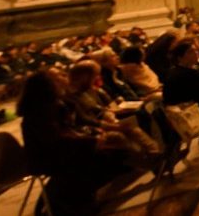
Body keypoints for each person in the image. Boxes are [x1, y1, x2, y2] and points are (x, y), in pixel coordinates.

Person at [18, 70, 131, 215]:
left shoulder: (56, 102)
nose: (66, 77)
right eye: (61, 76)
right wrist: (93, 141)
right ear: (49, 85)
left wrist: (93, 135)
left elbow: (73, 128)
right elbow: (57, 141)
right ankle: (72, 201)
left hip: (63, 149)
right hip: (48, 157)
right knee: (106, 156)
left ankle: (77, 197)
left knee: (114, 151)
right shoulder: (40, 111)